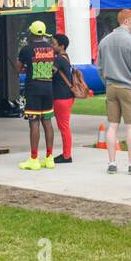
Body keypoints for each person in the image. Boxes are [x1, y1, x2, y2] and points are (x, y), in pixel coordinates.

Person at [97, 8, 131, 175]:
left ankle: (112, 163)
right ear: (126, 21)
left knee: (112, 125)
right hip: (129, 87)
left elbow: (100, 66)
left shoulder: (104, 41)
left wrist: (106, 82)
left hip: (111, 87)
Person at [17, 20, 58, 169]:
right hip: (48, 88)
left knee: (34, 123)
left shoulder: (26, 49)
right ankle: (49, 158)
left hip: (33, 90)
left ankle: (34, 159)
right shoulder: (51, 49)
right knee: (47, 122)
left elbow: (18, 68)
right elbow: (54, 68)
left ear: (31, 33)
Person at [51, 33, 77, 163]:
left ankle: (67, 155)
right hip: (67, 96)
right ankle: (67, 154)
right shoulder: (65, 57)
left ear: (61, 46)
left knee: (64, 127)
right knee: (64, 126)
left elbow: (50, 73)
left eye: (54, 44)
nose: (51, 46)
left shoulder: (59, 59)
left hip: (61, 97)